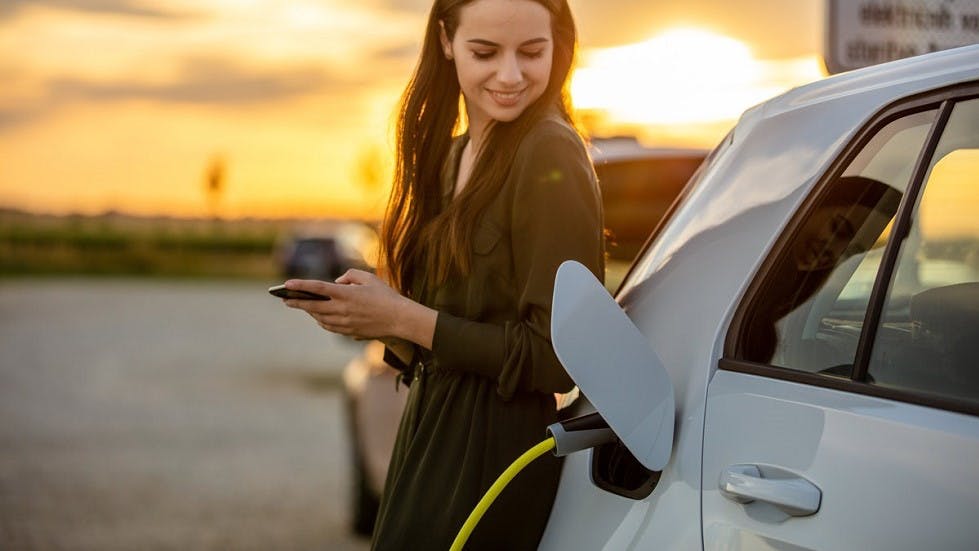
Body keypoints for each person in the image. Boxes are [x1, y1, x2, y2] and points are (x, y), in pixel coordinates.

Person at [280, 0, 604, 548]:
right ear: (446, 40)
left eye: (532, 52)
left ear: (560, 47)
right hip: (428, 433)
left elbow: (555, 361)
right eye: (485, 52)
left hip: (495, 457)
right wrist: (375, 317)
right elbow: (447, 328)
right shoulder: (453, 156)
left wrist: (404, 316)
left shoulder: (549, 152)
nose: (509, 75)